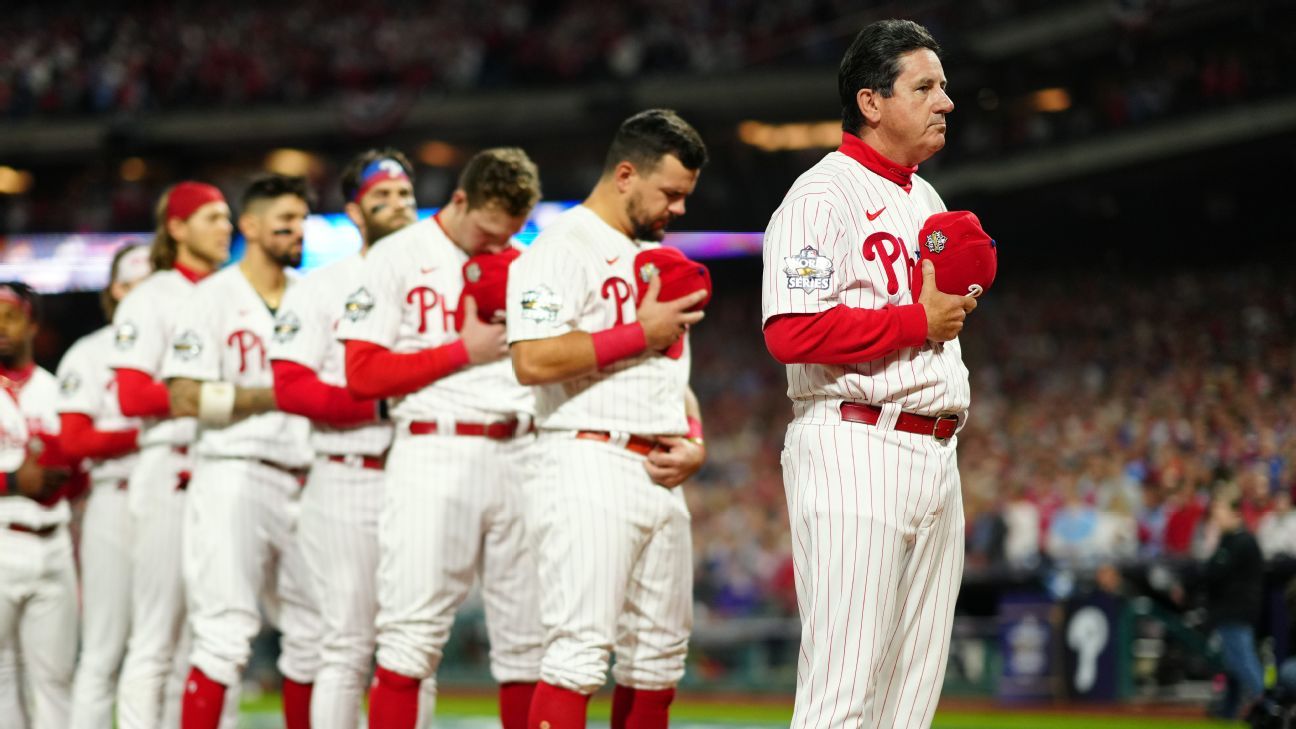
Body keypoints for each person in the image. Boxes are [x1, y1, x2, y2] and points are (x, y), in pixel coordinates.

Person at [759, 19, 978, 728]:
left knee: (910, 701)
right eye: (925, 87)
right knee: (845, 694)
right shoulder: (819, 197)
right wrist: (918, 321)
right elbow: (791, 330)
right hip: (857, 443)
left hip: (936, 451)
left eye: (942, 86)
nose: (945, 101)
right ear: (871, 101)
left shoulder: (927, 199)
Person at [507, 108, 709, 729]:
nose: (678, 208)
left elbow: (673, 379)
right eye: (670, 192)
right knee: (578, 654)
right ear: (626, 173)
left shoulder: (651, 254)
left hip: (657, 468)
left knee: (658, 660)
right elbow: (533, 359)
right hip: (585, 458)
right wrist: (636, 332)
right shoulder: (558, 249)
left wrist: (695, 441)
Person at [339, 148, 545, 729]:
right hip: (434, 447)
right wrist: (463, 351)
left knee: (528, 643)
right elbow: (362, 376)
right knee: (409, 637)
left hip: (521, 451)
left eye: (507, 234)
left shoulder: (522, 260)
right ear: (460, 200)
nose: (494, 244)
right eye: (485, 229)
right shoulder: (395, 256)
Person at [269, 148, 435, 728]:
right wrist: (377, 404)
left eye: (406, 197)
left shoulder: (438, 281)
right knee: (345, 645)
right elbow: (290, 386)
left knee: (418, 647)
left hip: (422, 473)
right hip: (347, 476)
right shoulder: (320, 286)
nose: (397, 205)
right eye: (380, 198)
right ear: (355, 213)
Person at [162, 174, 321, 729]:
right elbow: (183, 396)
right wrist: (275, 395)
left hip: (307, 474)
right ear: (249, 226)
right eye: (285, 220)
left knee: (313, 634)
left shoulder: (313, 295)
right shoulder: (212, 297)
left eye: (302, 219)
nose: (297, 230)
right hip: (235, 469)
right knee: (224, 632)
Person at [110, 181, 240, 729]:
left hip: (228, 463)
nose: (225, 227)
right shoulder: (150, 296)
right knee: (156, 633)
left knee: (220, 632)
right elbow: (133, 395)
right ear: (178, 228)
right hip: (170, 464)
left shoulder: (236, 291)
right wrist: (220, 398)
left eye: (228, 216)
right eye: (211, 216)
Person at [58, 244, 152, 728]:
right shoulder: (91, 352)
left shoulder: (179, 346)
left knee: (169, 645)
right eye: (135, 283)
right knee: (103, 647)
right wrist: (145, 434)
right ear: (116, 290)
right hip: (113, 499)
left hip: (171, 495)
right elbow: (74, 440)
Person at [0, 281, 76, 729]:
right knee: (2, 678)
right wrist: (12, 480)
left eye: (10, 316)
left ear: (33, 322)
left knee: (55, 681)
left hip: (54, 540)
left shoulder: (56, 388)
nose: (0, 328)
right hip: (2, 535)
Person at [1197, 487, 1265, 719]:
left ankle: (1268, 707)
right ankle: (1228, 712)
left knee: (1242, 662)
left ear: (1236, 514)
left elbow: (1214, 572)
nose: (1216, 517)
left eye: (1221, 511)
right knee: (1232, 666)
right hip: (1229, 610)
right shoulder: (1229, 541)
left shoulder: (1242, 541)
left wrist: (1212, 547)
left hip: (1237, 610)